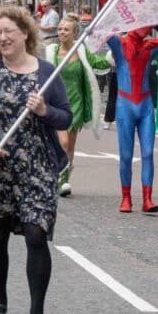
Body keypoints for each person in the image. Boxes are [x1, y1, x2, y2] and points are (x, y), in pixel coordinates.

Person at [0, 4, 72, 314]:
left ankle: (37, 313)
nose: (4, 37)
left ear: (26, 33)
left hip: (36, 165)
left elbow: (65, 116)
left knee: (36, 234)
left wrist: (43, 110)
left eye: (9, 31)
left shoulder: (47, 73)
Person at [106, 26, 158, 214]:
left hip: (145, 105)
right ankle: (126, 198)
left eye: (149, 24)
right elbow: (105, 34)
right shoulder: (120, 44)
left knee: (148, 153)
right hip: (125, 105)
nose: (146, 28)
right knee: (126, 155)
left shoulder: (150, 46)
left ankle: (147, 199)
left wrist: (153, 42)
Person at [44, 15, 111, 197]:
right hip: (56, 104)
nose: (62, 32)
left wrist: (115, 55)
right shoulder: (51, 52)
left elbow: (100, 63)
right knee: (62, 143)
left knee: (70, 146)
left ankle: (64, 180)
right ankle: (55, 175)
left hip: (76, 104)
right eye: (60, 29)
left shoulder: (81, 51)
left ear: (75, 33)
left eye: (66, 30)